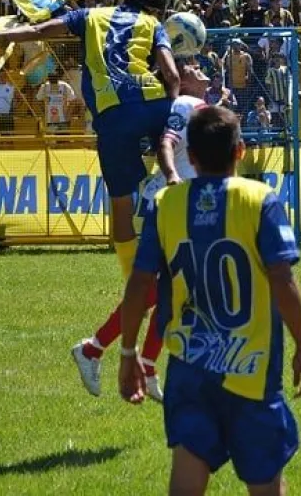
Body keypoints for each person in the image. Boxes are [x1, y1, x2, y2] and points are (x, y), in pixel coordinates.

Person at [117, 105, 301, 495]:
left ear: (190, 156)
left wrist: (128, 353)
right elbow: (282, 277)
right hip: (251, 366)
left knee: (187, 476)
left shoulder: (166, 205)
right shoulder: (260, 199)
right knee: (265, 482)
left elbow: (140, 284)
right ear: (240, 150)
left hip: (190, 368)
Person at [0, 0, 180, 285]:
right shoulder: (152, 23)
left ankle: (134, 282)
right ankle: (169, 187)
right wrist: (174, 108)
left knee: (122, 207)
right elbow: (172, 73)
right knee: (176, 159)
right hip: (154, 103)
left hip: (114, 113)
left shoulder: (90, 16)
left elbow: (37, 31)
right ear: (153, 9)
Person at [72, 64, 210, 402]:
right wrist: (173, 175)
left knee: (165, 294)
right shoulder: (182, 106)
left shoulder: (199, 107)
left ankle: (121, 358)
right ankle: (110, 354)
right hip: (170, 205)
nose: (200, 69)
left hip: (186, 207)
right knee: (159, 292)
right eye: (191, 68)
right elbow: (167, 143)